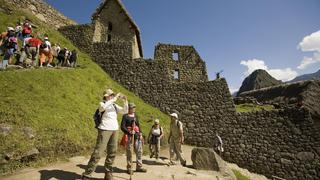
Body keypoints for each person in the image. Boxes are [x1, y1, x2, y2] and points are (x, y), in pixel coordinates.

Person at [82, 89, 128, 180]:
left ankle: (108, 173)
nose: (111, 96)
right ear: (106, 96)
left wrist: (125, 101)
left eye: (112, 95)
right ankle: (87, 174)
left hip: (115, 130)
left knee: (112, 152)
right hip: (104, 130)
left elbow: (124, 111)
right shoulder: (102, 104)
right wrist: (114, 98)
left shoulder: (114, 105)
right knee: (98, 153)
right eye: (110, 95)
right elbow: (102, 108)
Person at [121, 102, 147, 175]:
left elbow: (138, 125)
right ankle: (129, 168)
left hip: (137, 136)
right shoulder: (125, 116)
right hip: (129, 136)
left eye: (134, 107)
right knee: (130, 152)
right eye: (132, 107)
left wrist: (141, 133)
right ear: (129, 108)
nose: (133, 109)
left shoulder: (135, 116)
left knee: (139, 151)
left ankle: (139, 167)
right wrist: (129, 131)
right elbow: (122, 127)